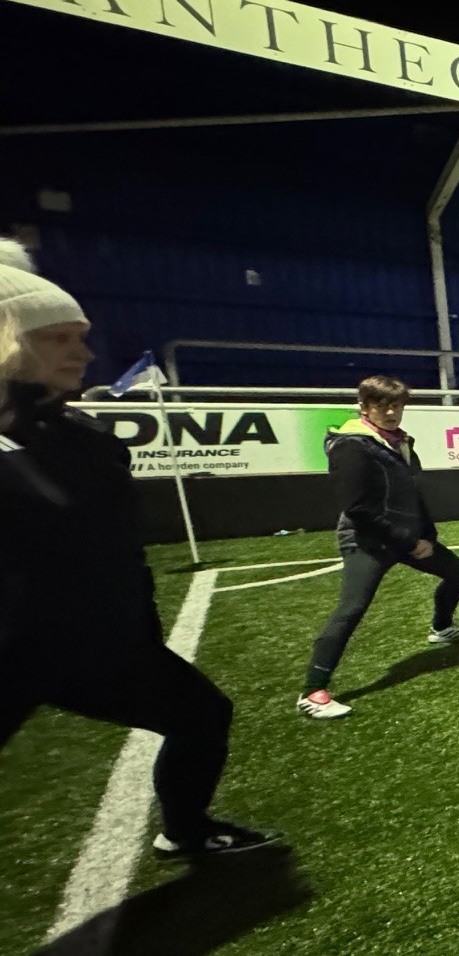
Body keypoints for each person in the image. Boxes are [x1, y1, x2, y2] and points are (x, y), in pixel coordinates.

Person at [0, 241, 275, 856]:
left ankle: (185, 829)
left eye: (81, 337)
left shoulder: (87, 440)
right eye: (59, 339)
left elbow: (115, 550)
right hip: (10, 653)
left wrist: (138, 631)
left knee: (202, 714)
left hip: (93, 647)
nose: (83, 353)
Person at [296, 375, 459, 720]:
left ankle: (442, 628)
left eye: (397, 405)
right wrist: (410, 541)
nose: (391, 412)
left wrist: (428, 535)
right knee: (351, 608)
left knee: (457, 571)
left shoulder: (398, 442)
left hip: (406, 538)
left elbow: (413, 493)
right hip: (367, 540)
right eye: (382, 405)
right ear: (364, 406)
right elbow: (358, 509)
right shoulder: (352, 445)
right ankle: (312, 691)